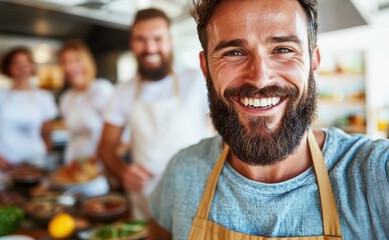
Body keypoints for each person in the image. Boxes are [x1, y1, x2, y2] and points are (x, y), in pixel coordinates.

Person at [148, 0, 389, 239]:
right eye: (234, 52)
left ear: (313, 60)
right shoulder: (182, 172)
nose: (260, 78)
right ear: (206, 68)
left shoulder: (374, 175)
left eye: (283, 49)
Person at [99, 8, 213, 220]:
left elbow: (224, 136)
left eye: (157, 39)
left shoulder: (197, 81)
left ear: (169, 41)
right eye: (141, 40)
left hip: (195, 193)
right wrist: (122, 172)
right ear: (131, 43)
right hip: (146, 197)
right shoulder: (122, 91)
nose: (150, 47)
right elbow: (106, 145)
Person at [0, 47, 58, 182]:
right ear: (8, 68)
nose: (22, 67)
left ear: (32, 67)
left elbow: (47, 134)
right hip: (3, 165)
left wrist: (41, 159)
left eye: (26, 62)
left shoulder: (45, 98)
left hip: (34, 165)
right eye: (16, 63)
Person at [57, 39, 114, 196]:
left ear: (86, 62)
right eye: (65, 62)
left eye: (75, 60)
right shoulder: (66, 98)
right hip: (72, 169)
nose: (70, 67)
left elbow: (118, 136)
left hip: (96, 173)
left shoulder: (101, 89)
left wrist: (101, 162)